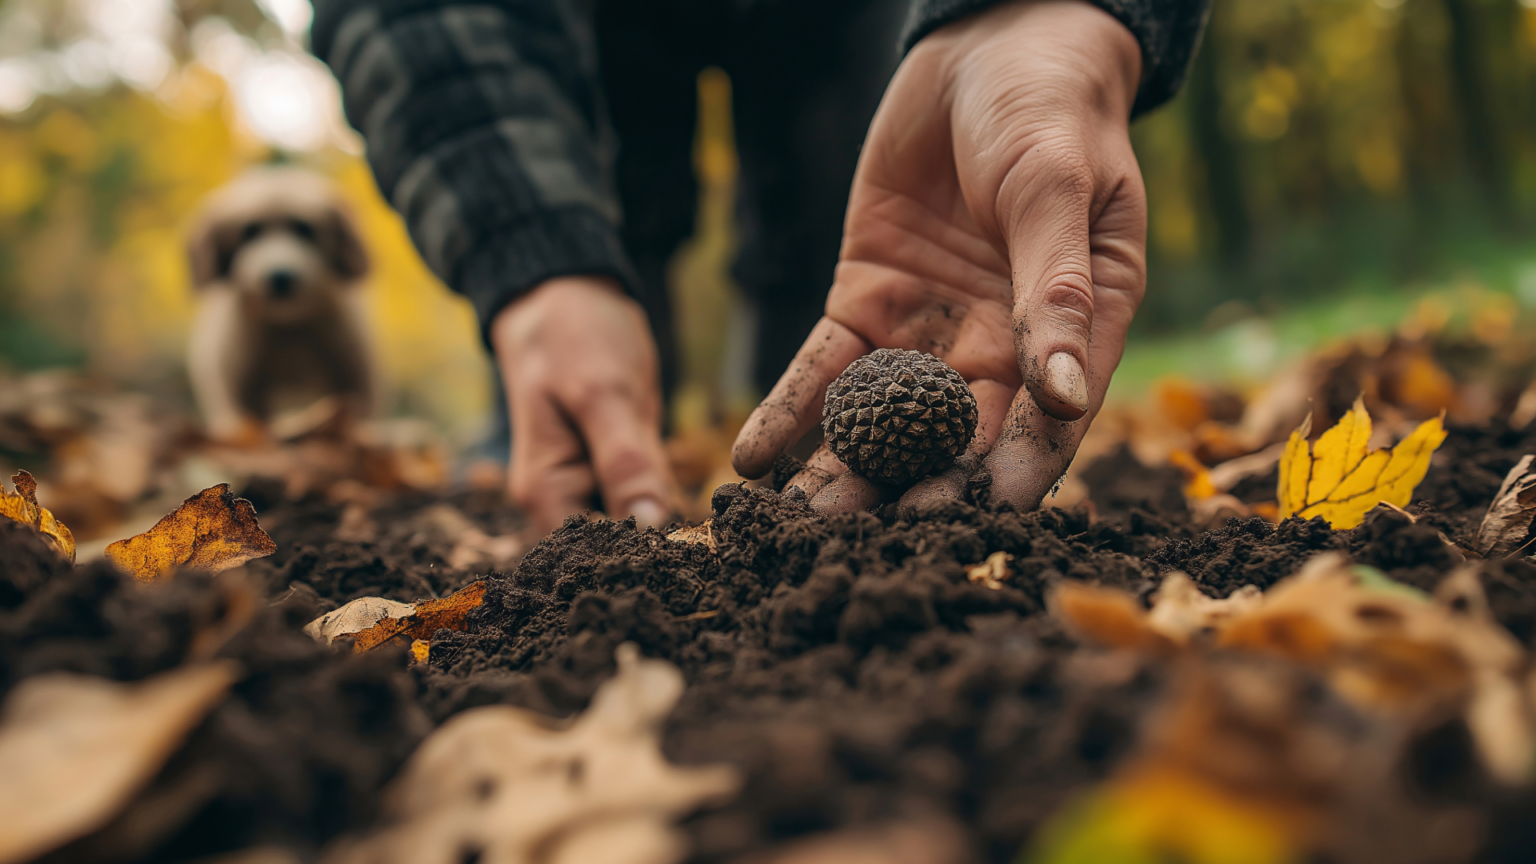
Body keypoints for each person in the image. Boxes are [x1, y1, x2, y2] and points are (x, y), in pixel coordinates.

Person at [312, 0, 1210, 536]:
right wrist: (534, 254)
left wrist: (1047, 10)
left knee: (826, 309)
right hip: (572, 40)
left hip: (861, 25)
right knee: (584, 415)